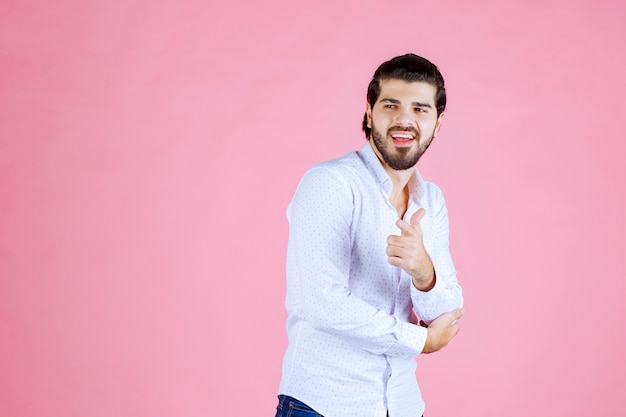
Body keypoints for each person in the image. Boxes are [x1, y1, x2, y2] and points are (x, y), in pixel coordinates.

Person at [275, 53, 464, 417]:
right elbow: (321, 303)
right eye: (390, 104)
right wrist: (421, 340)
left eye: (421, 109)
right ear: (369, 111)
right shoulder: (330, 184)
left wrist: (424, 273)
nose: (404, 119)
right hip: (323, 405)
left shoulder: (432, 200)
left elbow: (447, 311)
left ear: (438, 123)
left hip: (403, 405)